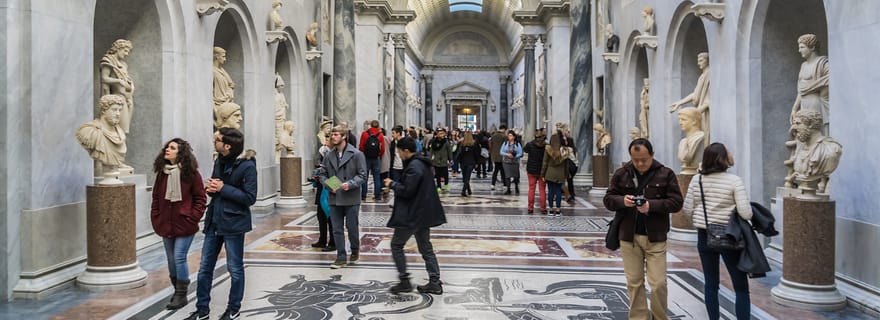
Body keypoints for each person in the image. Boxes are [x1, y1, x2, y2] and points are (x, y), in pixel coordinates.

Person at [603, 138, 683, 320]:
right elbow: (608, 199)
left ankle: (659, 317)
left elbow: (676, 202)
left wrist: (651, 206)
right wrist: (622, 201)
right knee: (634, 282)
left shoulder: (665, 173)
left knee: (658, 283)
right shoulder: (621, 173)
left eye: (644, 159)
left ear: (652, 155)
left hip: (655, 237)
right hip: (628, 237)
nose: (640, 164)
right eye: (635, 159)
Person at [186, 128, 256, 320]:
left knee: (235, 268)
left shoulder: (248, 166)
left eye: (216, 140)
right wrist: (212, 189)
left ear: (227, 145)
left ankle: (233, 309)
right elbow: (217, 188)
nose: (213, 142)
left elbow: (250, 197)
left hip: (234, 223)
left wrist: (224, 188)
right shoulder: (219, 160)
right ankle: (202, 310)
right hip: (214, 221)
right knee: (204, 268)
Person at [682, 142, 753, 320]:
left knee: (711, 284)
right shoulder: (734, 180)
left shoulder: (697, 180)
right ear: (723, 159)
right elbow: (745, 212)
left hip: (705, 235)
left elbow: (687, 209)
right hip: (730, 235)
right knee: (741, 286)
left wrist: (700, 223)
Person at [383, 137, 447, 295]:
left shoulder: (414, 166)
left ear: (406, 150)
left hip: (413, 215)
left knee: (396, 245)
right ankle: (434, 282)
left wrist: (392, 184)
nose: (398, 153)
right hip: (422, 214)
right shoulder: (421, 163)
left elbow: (407, 190)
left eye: (399, 150)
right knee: (426, 248)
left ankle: (404, 281)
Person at [150, 138, 207, 310]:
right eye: (167, 147)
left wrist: (193, 217)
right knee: (170, 258)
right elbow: (156, 198)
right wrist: (156, 217)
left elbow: (200, 198)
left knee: (179, 256)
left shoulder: (192, 174)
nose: (167, 149)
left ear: (180, 152)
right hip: (165, 223)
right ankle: (177, 290)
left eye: (172, 148)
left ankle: (181, 295)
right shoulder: (162, 173)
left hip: (185, 224)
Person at [320, 125, 367, 269]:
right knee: (336, 228)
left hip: (351, 196)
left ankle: (355, 249)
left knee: (352, 226)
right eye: (332, 134)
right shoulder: (329, 155)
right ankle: (341, 256)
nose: (332, 137)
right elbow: (322, 173)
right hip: (335, 197)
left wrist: (350, 184)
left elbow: (363, 175)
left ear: (344, 136)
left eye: (335, 134)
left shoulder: (357, 154)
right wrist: (330, 185)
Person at [75, 94, 130, 179]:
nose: (118, 114)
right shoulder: (90, 131)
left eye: (120, 110)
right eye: (114, 110)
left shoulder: (120, 133)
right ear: (104, 110)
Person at [790, 110, 842, 193]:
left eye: (797, 123)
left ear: (810, 124)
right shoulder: (801, 147)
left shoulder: (831, 150)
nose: (793, 128)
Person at [790, 34, 830, 134]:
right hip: (804, 105)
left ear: (812, 47)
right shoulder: (803, 65)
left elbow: (830, 79)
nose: (799, 50)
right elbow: (800, 90)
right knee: (804, 135)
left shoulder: (822, 63)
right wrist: (794, 108)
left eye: (802, 47)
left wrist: (822, 94)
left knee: (815, 133)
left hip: (816, 104)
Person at [669, 52, 711, 145]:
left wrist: (695, 113)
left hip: (704, 112)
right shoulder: (702, 76)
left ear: (707, 61)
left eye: (701, 61)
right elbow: (695, 94)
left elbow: (709, 98)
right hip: (700, 110)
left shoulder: (709, 74)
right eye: (698, 61)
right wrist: (680, 103)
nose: (698, 63)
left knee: (705, 138)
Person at [100, 39, 135, 133]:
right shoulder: (108, 60)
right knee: (119, 129)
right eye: (125, 50)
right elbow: (104, 78)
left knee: (125, 130)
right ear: (118, 48)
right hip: (117, 99)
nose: (126, 54)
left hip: (127, 98)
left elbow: (126, 78)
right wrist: (119, 81)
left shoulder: (124, 64)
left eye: (128, 51)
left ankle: (120, 146)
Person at [311, 134, 335, 252]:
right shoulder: (324, 153)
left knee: (331, 216)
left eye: (328, 139)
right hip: (322, 188)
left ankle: (333, 242)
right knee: (320, 215)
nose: (325, 142)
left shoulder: (334, 155)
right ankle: (322, 239)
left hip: (331, 188)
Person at [541, 132, 568, 216]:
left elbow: (544, 162)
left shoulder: (548, 149)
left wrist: (542, 174)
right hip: (560, 173)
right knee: (558, 191)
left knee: (550, 191)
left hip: (550, 173)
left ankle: (551, 209)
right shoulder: (564, 150)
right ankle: (558, 209)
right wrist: (566, 175)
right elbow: (566, 165)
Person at [358, 120, 385, 201]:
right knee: (377, 177)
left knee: (364, 177)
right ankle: (377, 195)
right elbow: (383, 149)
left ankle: (363, 195)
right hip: (376, 159)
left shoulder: (364, 134)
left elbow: (361, 147)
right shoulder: (380, 135)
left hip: (366, 158)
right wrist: (379, 155)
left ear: (370, 125)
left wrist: (364, 154)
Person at [523, 129, 547, 214]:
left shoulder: (530, 144)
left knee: (531, 189)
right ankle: (543, 208)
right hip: (542, 171)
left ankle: (530, 208)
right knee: (542, 190)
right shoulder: (546, 146)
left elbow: (525, 149)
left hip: (531, 170)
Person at [677, 107, 705, 174]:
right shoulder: (683, 141)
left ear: (694, 121)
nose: (680, 123)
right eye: (679, 120)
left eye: (683, 119)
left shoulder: (700, 137)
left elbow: (686, 157)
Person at [454, 131, 481, 197]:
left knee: (465, 177)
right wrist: (477, 162)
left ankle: (465, 190)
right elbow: (477, 154)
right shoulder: (474, 143)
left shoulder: (461, 143)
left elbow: (459, 153)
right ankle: (466, 190)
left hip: (463, 162)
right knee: (467, 177)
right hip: (471, 162)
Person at [429, 128, 453, 193]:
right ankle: (439, 186)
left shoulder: (446, 142)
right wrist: (430, 158)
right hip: (436, 161)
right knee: (438, 175)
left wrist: (450, 159)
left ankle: (446, 184)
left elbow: (449, 151)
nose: (441, 135)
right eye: (440, 133)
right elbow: (431, 151)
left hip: (444, 160)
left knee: (445, 174)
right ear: (437, 134)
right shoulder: (434, 142)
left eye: (442, 133)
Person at [499, 130, 523, 195]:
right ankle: (508, 189)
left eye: (511, 135)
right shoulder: (505, 143)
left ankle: (516, 187)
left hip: (515, 162)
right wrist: (507, 154)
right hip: (506, 162)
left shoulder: (517, 144)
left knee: (515, 175)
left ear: (514, 136)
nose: (510, 137)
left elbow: (520, 153)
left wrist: (515, 156)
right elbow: (501, 151)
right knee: (507, 176)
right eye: (509, 135)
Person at [489, 124, 508, 190]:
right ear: (504, 129)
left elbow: (491, 145)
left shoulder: (493, 136)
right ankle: (505, 184)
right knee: (502, 170)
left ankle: (493, 184)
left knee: (496, 170)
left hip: (495, 155)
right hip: (502, 155)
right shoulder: (504, 136)